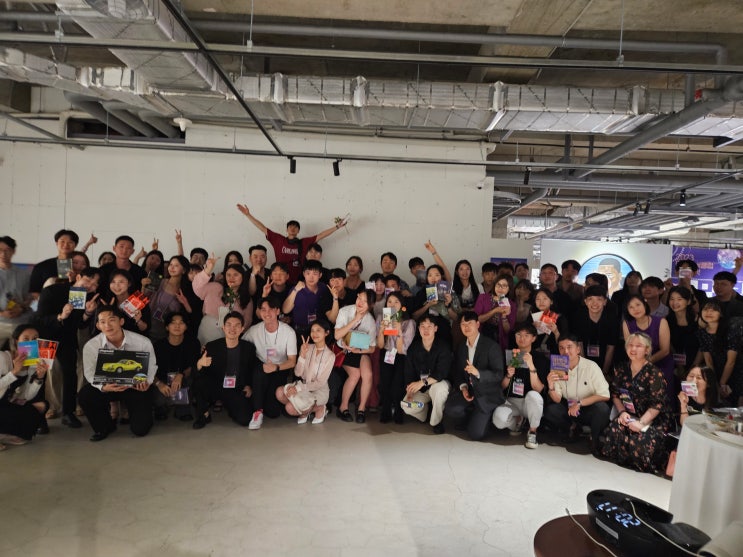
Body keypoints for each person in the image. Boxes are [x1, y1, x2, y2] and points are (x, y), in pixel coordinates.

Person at [35, 266, 101, 428]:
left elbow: (78, 324)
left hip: (66, 338)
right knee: (38, 375)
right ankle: (38, 416)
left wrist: (87, 313)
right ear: (78, 277)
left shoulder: (84, 297)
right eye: (88, 280)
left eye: (94, 284)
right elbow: (39, 320)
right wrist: (60, 316)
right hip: (43, 336)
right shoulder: (52, 290)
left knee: (70, 374)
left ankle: (68, 413)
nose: (90, 286)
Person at [78, 305, 157, 441]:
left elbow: (151, 366)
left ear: (121, 321)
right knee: (86, 395)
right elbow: (89, 373)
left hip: (135, 387)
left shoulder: (142, 342)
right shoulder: (91, 346)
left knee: (140, 430)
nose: (107, 325)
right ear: (98, 326)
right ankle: (104, 426)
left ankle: (140, 418)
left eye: (112, 320)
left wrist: (146, 382)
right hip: (108, 386)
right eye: (102, 322)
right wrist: (103, 387)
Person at [600, 333, 672, 473]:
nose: (633, 349)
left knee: (641, 442)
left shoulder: (654, 373)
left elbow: (657, 405)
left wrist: (641, 423)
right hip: (630, 414)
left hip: (653, 418)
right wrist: (622, 412)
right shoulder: (621, 369)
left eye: (638, 346)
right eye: (630, 345)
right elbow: (615, 394)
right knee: (614, 430)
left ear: (647, 350)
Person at [236, 203, 347, 283]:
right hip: (280, 281)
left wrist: (337, 227)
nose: (293, 229)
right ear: (286, 229)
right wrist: (248, 215)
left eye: (295, 227)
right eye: (290, 227)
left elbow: (321, 235)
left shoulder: (304, 242)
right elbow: (262, 228)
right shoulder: (278, 240)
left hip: (300, 281)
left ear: (298, 231)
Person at [543, 334, 610, 452]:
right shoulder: (557, 367)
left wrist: (579, 403)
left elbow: (605, 395)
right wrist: (551, 386)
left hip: (587, 407)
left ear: (578, 349)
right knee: (551, 410)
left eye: (569, 347)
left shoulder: (591, 366)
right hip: (569, 408)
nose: (565, 351)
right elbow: (557, 399)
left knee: (602, 409)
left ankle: (594, 438)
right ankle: (573, 429)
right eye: (561, 348)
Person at [192, 311, 258, 429]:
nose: (232, 328)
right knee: (199, 383)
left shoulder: (248, 348)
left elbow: (252, 369)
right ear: (223, 327)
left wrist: (249, 385)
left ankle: (231, 408)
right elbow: (198, 374)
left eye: (237, 325)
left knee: (245, 419)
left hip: (236, 388)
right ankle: (204, 414)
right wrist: (200, 364)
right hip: (216, 385)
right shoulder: (212, 346)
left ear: (242, 329)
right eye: (229, 325)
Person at [445, 311, 505, 441]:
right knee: (450, 409)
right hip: (470, 391)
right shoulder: (461, 347)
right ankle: (472, 415)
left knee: (476, 434)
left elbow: (498, 375)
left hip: (486, 395)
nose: (466, 327)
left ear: (478, 324)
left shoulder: (491, 346)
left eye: (470, 323)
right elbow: (458, 372)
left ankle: (485, 417)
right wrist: (463, 387)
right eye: (463, 324)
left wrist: (478, 373)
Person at [243, 297, 298, 428]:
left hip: (279, 368)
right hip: (261, 366)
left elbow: (292, 362)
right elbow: (241, 345)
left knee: (273, 412)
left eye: (271, 309)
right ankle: (257, 412)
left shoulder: (288, 332)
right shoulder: (254, 330)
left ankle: (259, 399)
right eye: (263, 310)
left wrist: (276, 367)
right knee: (259, 371)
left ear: (278, 311)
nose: (267, 313)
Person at [493, 323, 548, 449]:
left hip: (531, 403)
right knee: (498, 419)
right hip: (512, 401)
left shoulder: (540, 359)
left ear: (533, 338)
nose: (522, 338)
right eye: (519, 335)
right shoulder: (509, 356)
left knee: (534, 396)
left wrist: (531, 366)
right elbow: (501, 387)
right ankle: (518, 422)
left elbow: (539, 389)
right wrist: (508, 375)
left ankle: (532, 432)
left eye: (526, 335)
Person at [399, 315, 451, 433]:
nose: (426, 330)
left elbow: (441, 373)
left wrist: (422, 382)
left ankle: (436, 422)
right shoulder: (414, 348)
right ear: (419, 329)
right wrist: (410, 390)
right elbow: (408, 372)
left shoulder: (443, 346)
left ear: (435, 328)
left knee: (438, 390)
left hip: (438, 383)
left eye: (429, 326)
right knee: (406, 405)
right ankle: (425, 414)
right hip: (422, 387)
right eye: (423, 326)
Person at [276, 320, 334, 424]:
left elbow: (320, 383)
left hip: (318, 390)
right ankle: (304, 411)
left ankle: (319, 408)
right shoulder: (307, 347)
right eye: (312, 330)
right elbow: (297, 373)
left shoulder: (330, 356)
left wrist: (297, 388)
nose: (314, 333)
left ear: (326, 333)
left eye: (318, 330)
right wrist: (302, 355)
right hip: (303, 386)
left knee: (290, 408)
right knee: (279, 392)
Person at [0, 324, 49, 447]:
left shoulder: (33, 362)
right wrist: (14, 372)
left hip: (7, 403)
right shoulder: (3, 358)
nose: (31, 343)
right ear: (17, 341)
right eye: (26, 339)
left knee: (41, 406)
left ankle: (4, 434)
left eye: (35, 339)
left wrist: (39, 378)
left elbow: (26, 396)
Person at [334, 289, 377, 423]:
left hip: (360, 351)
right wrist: (355, 320)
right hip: (343, 350)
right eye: (359, 298)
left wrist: (358, 351)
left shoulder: (370, 320)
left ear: (371, 305)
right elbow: (337, 335)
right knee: (355, 374)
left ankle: (361, 409)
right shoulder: (345, 311)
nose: (360, 303)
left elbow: (372, 348)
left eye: (365, 301)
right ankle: (343, 407)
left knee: (368, 374)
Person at [622, 294, 675, 402]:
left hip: (661, 363)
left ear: (645, 304)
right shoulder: (627, 324)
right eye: (631, 307)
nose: (635, 309)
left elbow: (665, 350)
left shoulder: (661, 321)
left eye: (638, 305)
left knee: (663, 399)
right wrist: (639, 366)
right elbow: (630, 349)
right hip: (638, 364)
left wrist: (645, 364)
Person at [193, 253, 253, 344]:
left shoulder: (246, 298)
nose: (231, 277)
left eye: (236, 275)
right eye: (228, 275)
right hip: (208, 329)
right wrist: (208, 270)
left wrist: (233, 331)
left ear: (243, 277)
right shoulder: (215, 287)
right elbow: (197, 287)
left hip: (231, 335)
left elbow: (247, 322)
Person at [152, 311, 201, 421]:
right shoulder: (158, 346)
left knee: (188, 380)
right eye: (173, 323)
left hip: (183, 379)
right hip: (162, 380)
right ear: (167, 327)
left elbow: (194, 365)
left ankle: (182, 410)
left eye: (181, 323)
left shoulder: (193, 343)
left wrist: (180, 375)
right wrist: (159, 384)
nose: (177, 326)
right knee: (159, 399)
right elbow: (150, 370)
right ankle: (161, 408)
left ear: (186, 327)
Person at [377, 292, 416, 423]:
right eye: (389, 302)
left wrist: (399, 331)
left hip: (401, 357)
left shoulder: (409, 323)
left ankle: (399, 411)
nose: (392, 305)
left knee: (397, 385)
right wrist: (381, 331)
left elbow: (401, 350)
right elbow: (380, 345)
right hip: (386, 353)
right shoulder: (381, 318)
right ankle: (386, 411)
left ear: (402, 306)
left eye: (396, 302)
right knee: (385, 384)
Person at [697, 300, 742, 405]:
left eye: (714, 310)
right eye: (706, 309)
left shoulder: (731, 330)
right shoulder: (702, 333)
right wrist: (715, 383)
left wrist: (722, 383)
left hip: (737, 372)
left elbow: (731, 362)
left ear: (721, 313)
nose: (709, 312)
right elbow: (708, 361)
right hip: (717, 371)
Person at [147, 255, 200, 341]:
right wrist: (143, 286)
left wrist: (185, 303)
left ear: (184, 270)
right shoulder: (158, 280)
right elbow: (142, 297)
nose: (172, 268)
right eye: (171, 264)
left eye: (176, 265)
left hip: (168, 333)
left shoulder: (187, 290)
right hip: (147, 326)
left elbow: (192, 315)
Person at [571, 285, 620, 379]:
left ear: (605, 302)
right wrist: (585, 369)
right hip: (584, 358)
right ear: (585, 301)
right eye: (590, 299)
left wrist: (604, 372)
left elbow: (611, 347)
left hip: (605, 360)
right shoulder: (579, 317)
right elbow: (579, 344)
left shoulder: (612, 319)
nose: (594, 303)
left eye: (599, 299)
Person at [281, 259, 333, 343]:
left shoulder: (323, 287)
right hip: (300, 330)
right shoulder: (296, 289)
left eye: (315, 274)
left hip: (318, 331)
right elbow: (285, 310)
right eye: (308, 273)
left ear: (320, 275)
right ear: (303, 274)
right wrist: (295, 290)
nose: (311, 277)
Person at [0, 236, 33, 347]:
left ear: (13, 251)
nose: (3, 254)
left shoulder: (24, 274)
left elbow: (29, 297)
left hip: (21, 322)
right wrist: (2, 313)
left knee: (28, 353)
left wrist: (21, 308)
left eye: (7, 250)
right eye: (0, 250)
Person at [29, 229, 79, 297]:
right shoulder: (41, 266)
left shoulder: (80, 267)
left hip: (74, 302)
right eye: (62, 241)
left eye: (70, 242)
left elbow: (83, 290)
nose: (66, 245)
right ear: (56, 243)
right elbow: (34, 291)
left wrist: (74, 281)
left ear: (75, 245)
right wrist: (46, 301)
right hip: (47, 302)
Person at [474, 272, 515, 351]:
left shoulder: (511, 304)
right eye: (498, 284)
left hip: (499, 339)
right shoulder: (483, 297)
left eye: (504, 286)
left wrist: (504, 316)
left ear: (509, 288)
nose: (500, 288)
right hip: (482, 334)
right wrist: (495, 310)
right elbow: (477, 319)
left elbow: (507, 331)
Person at [666, 286, 700, 376]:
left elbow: (703, 346)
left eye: (679, 299)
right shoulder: (666, 321)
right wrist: (679, 366)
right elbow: (669, 345)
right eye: (672, 299)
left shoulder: (698, 320)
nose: (675, 303)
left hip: (697, 365)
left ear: (688, 301)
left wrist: (694, 366)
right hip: (675, 365)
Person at [530, 288, 569, 358]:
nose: (541, 302)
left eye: (545, 298)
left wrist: (556, 331)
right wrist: (531, 329)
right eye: (538, 299)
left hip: (555, 356)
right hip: (535, 356)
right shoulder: (531, 318)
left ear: (551, 301)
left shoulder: (559, 318)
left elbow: (565, 343)